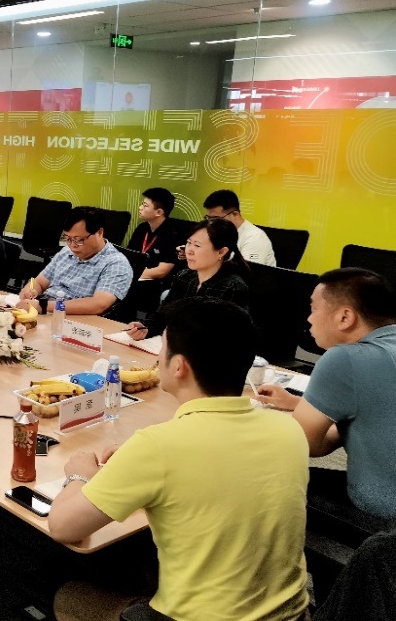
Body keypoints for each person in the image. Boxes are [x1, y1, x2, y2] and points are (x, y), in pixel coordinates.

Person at [48, 299, 309, 621]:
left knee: (68, 597)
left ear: (179, 366)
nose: (158, 356)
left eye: (163, 348)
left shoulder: (158, 447)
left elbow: (63, 528)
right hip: (293, 613)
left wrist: (80, 475)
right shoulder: (290, 429)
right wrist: (141, 459)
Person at [254, 268, 396, 521]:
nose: (309, 319)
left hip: (384, 513)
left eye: (314, 308)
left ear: (345, 317)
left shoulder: (345, 359)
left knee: (269, 478)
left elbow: (305, 443)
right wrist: (300, 403)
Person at [126, 218, 249, 340]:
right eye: (189, 243)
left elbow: (227, 338)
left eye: (197, 245)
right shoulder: (184, 277)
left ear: (221, 252)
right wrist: (146, 327)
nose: (189, 251)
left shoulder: (233, 287)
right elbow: (162, 316)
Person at [19, 206, 132, 315]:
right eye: (68, 239)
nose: (73, 245)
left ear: (99, 233)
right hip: (44, 310)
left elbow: (99, 304)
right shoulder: (66, 252)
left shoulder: (116, 264)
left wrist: (43, 306)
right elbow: (39, 282)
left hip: (73, 319)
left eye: (79, 240)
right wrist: (30, 290)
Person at [202, 189, 276, 266]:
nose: (211, 223)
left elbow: (246, 270)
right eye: (208, 218)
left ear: (234, 214)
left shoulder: (255, 238)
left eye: (216, 218)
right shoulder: (219, 232)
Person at [126, 187, 180, 282]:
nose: (140, 208)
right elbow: (129, 256)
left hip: (155, 282)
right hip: (136, 276)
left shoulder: (172, 234)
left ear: (158, 212)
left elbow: (162, 271)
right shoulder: (142, 228)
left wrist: (130, 274)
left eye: (145, 206)